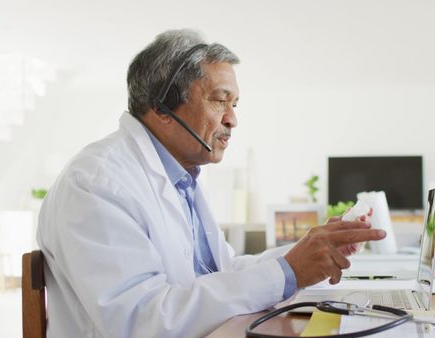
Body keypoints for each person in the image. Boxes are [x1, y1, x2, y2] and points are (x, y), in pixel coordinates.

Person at [37, 29, 385, 338]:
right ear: (161, 107)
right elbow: (139, 321)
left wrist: (311, 252)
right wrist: (287, 271)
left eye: (234, 103)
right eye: (219, 100)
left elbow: (223, 272)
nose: (232, 119)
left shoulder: (179, 177)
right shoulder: (97, 183)